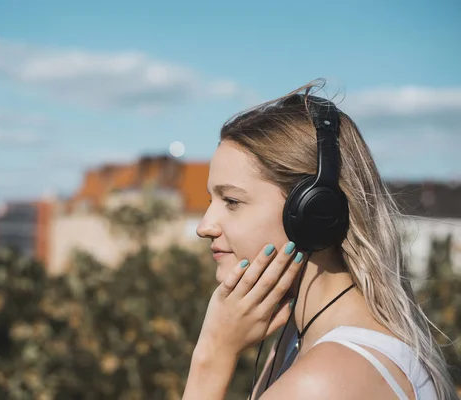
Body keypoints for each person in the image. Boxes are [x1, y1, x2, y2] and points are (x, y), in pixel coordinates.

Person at [182, 79, 458, 399]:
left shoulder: (323, 382)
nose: (204, 227)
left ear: (313, 211)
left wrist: (211, 358)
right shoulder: (302, 340)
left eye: (231, 201)